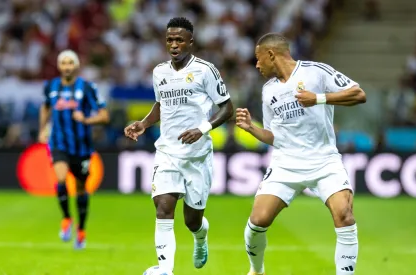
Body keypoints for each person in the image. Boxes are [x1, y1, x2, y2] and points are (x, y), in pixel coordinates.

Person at [235, 33, 366, 275]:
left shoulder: (316, 72)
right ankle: (256, 270)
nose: (256, 64)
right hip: (285, 164)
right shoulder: (268, 91)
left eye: (258, 58)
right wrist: (252, 129)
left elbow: (359, 94)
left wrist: (319, 98)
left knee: (344, 215)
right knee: (258, 221)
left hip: (324, 161)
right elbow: (275, 136)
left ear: (271, 54)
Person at [124, 17, 234, 273]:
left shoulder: (205, 70)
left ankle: (200, 238)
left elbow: (227, 108)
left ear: (190, 42)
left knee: (192, 221)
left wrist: (202, 129)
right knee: (163, 208)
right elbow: (161, 105)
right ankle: (165, 270)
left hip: (197, 156)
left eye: (179, 40)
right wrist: (144, 123)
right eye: (170, 40)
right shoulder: (159, 72)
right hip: (167, 152)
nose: (174, 45)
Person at [38, 50, 110, 249]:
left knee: (80, 190)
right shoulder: (51, 86)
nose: (67, 66)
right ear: (59, 66)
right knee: (60, 179)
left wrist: (86, 119)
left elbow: (104, 116)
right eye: (64, 63)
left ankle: (81, 229)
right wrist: (43, 129)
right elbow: (45, 107)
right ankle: (67, 218)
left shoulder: (87, 88)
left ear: (76, 66)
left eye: (71, 63)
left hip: (82, 147)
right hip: (59, 143)